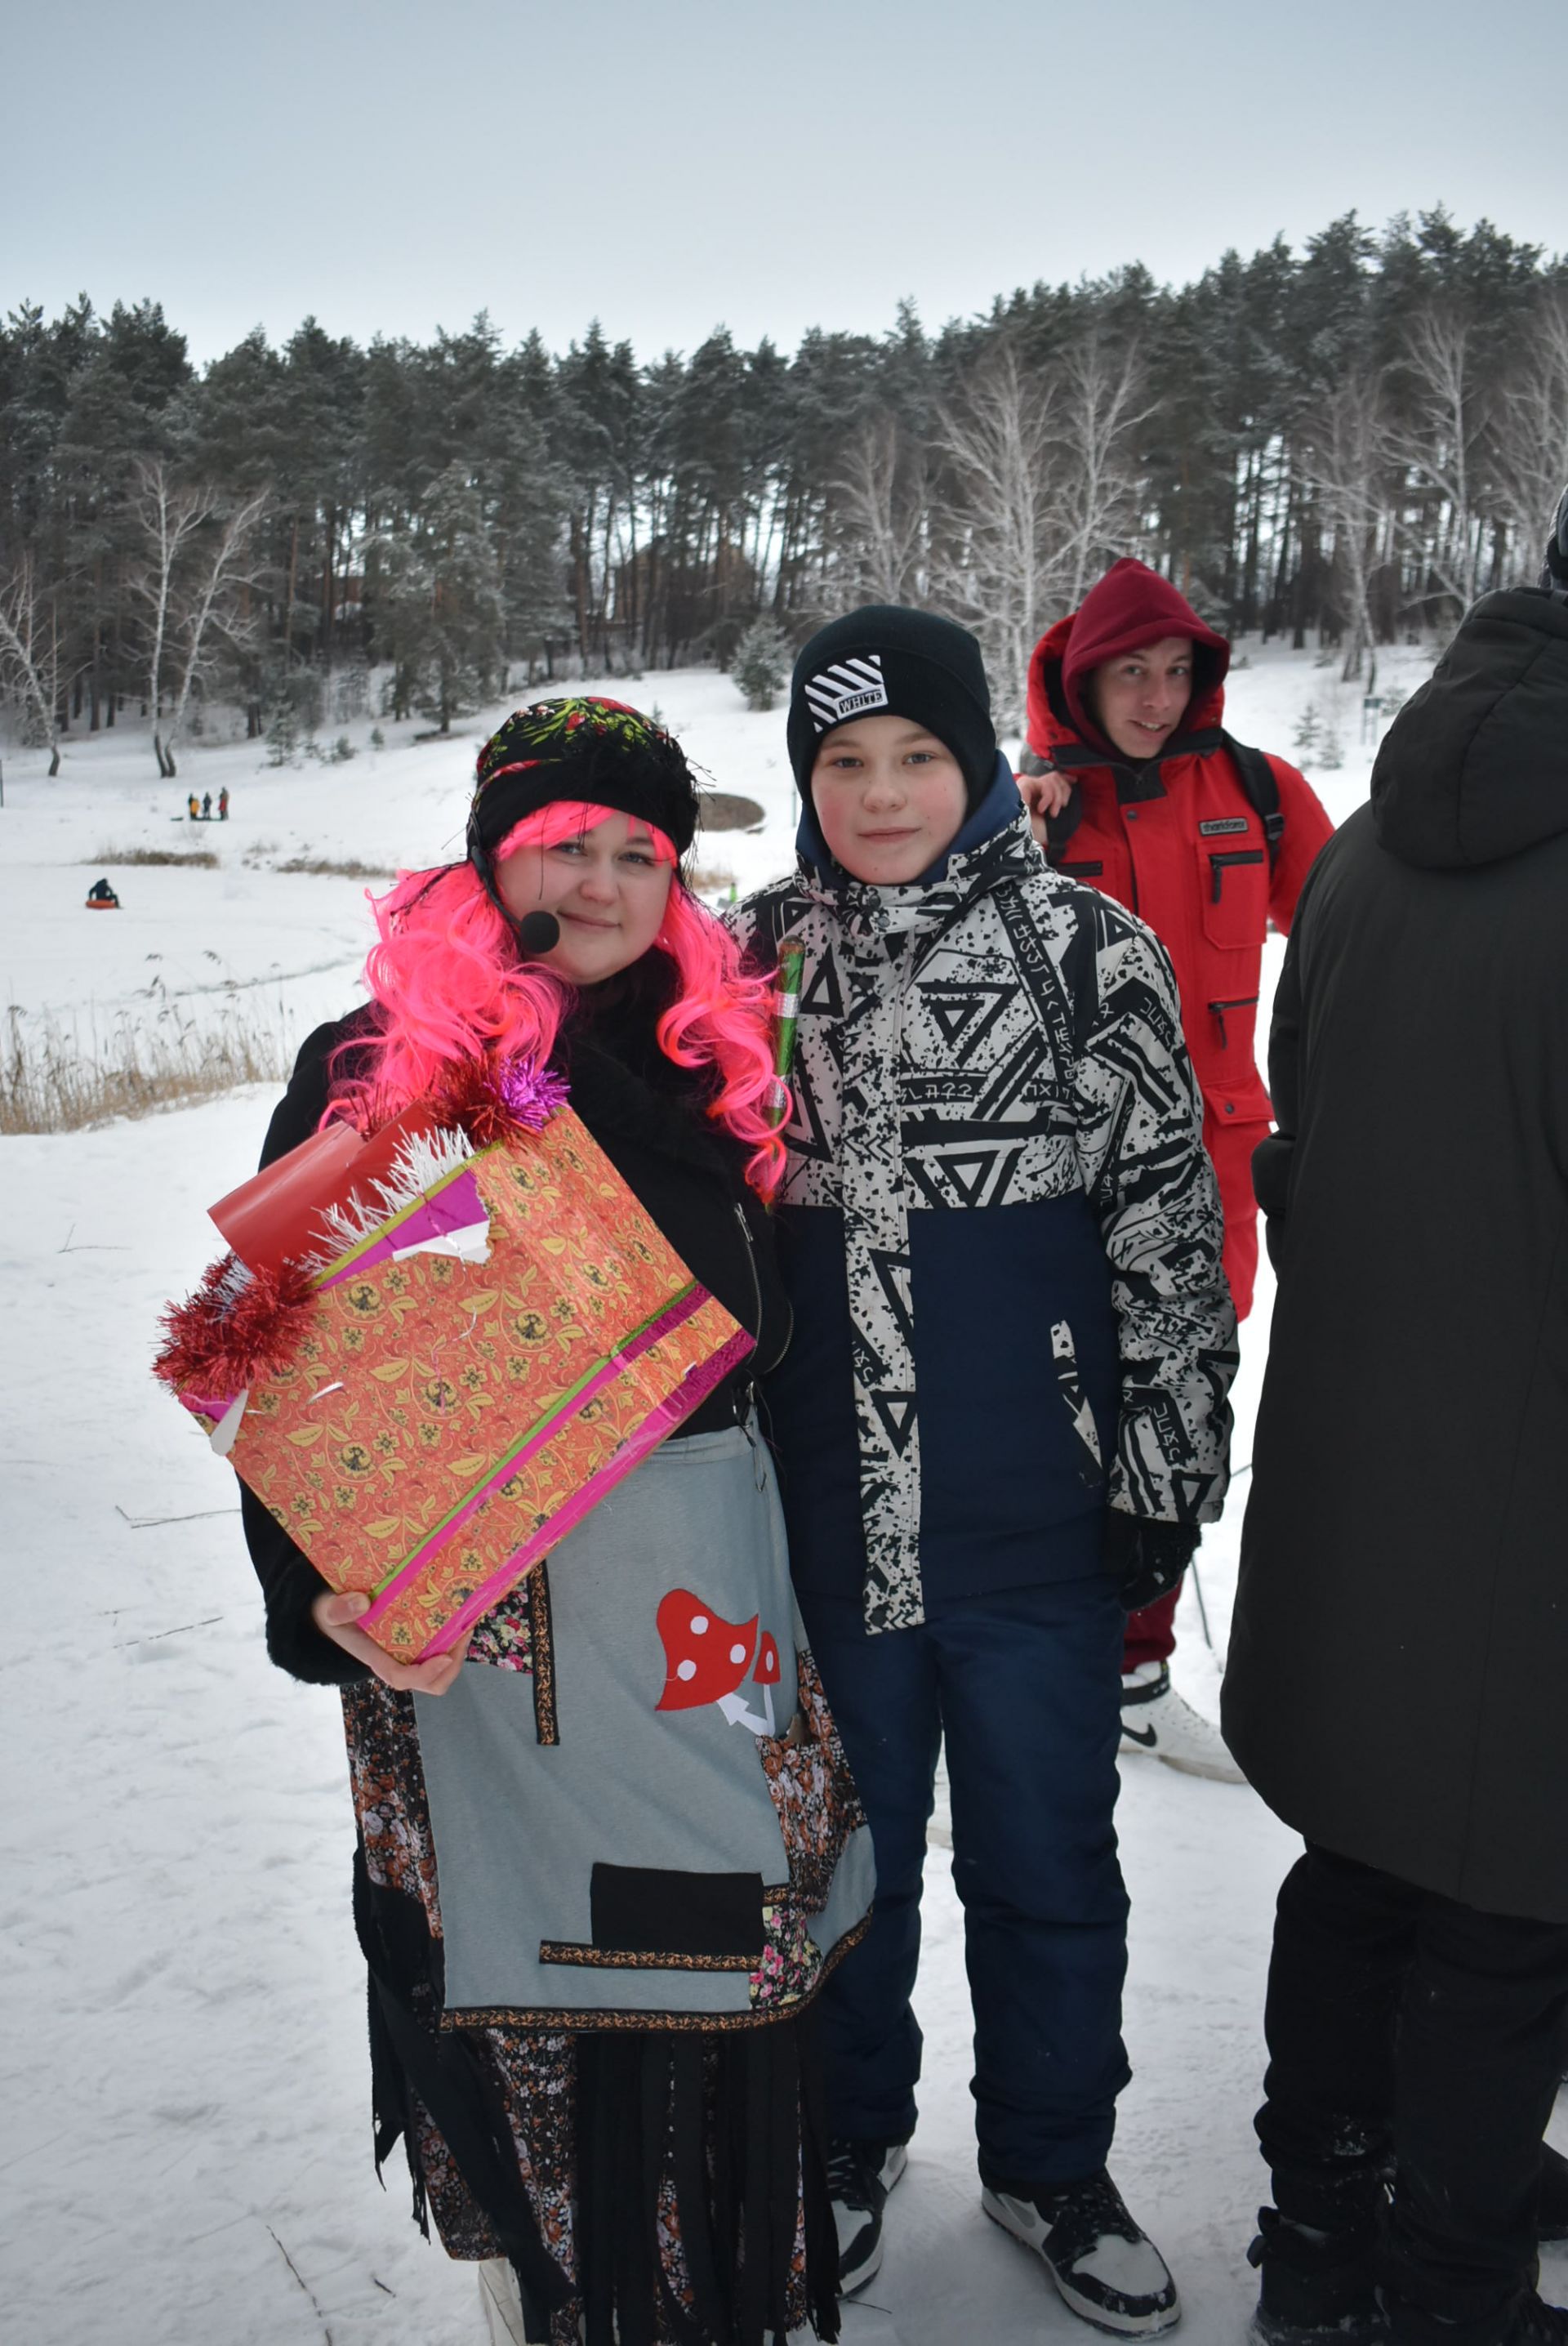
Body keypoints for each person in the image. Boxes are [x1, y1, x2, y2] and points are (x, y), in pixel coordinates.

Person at [238, 698, 873, 2346]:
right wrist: (315, 1594)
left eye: (636, 853)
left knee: (713, 1954)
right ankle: (561, 2279)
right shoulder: (376, 1071)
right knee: (542, 1977)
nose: (598, 884)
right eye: (560, 846)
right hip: (474, 1620)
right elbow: (289, 1377)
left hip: (692, 1606)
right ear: (490, 855)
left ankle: (698, 2280)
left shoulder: (726, 1062)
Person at [729, 608, 1236, 2336]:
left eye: (918, 756)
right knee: (841, 1865)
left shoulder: (1089, 953)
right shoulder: (750, 965)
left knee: (1045, 1862)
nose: (881, 793)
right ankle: (848, 2136)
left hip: (1035, 1524)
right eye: (843, 762)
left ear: (981, 763)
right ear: (806, 781)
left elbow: (1171, 1228)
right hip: (816, 1531)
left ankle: (1049, 2157)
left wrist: (1163, 1460)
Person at [1223, 497, 1568, 2346]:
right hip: (1529, 1512)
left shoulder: (1361, 850)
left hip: (1361, 1475)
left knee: (1362, 1856)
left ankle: (1323, 2235)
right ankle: (1448, 2289)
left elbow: (1301, 1136)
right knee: (1510, 1906)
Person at [1019, 560, 1334, 1781]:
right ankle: (1022, 1669)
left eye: (1175, 673)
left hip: (1221, 1163)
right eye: (1129, 674)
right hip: (1066, 1168)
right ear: (1080, 676)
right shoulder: (1026, 799)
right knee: (1051, 1406)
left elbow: (1356, 919)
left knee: (1183, 1401)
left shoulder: (1254, 790)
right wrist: (1018, 832)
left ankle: (1139, 1677)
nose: (1154, 698)